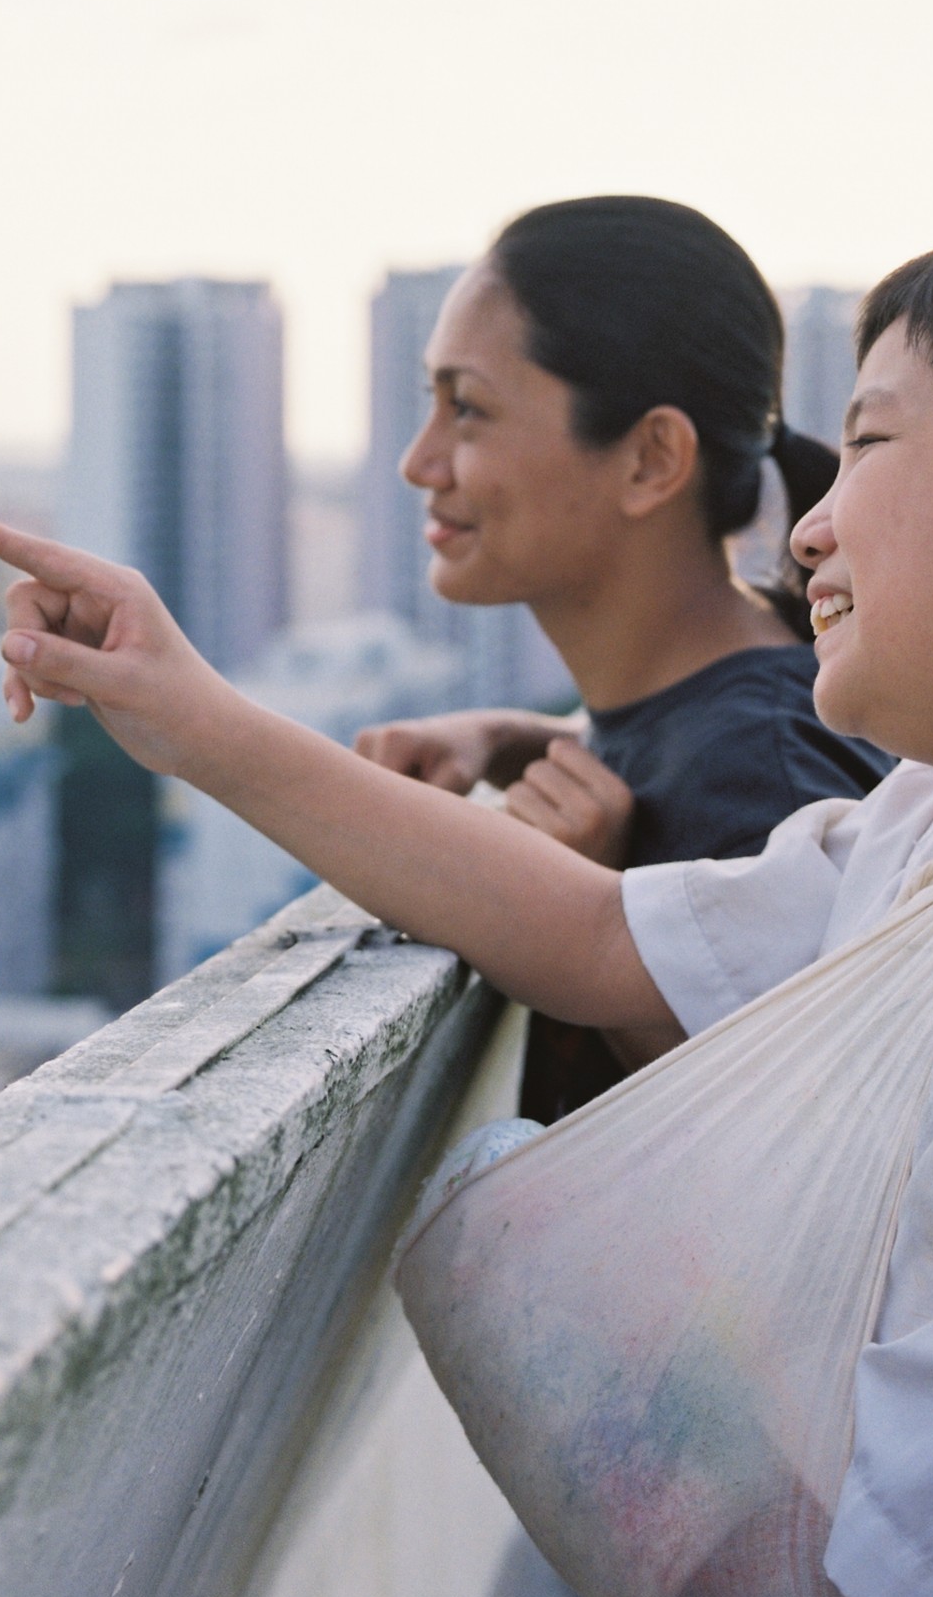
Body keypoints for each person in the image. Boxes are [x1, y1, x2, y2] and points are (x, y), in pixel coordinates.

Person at [0, 209, 933, 1597]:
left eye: (873, 441)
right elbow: (595, 936)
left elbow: (902, 1582)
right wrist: (189, 714)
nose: (810, 528)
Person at [346, 196, 888, 1121]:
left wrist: (598, 910)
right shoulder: (710, 707)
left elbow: (799, 1153)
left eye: (467, 409)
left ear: (650, 459)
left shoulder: (766, 770)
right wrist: (516, 737)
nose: (419, 460)